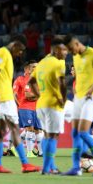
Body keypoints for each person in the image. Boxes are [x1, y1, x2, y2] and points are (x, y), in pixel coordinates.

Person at [62, 34, 93, 177]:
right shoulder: (75, 56)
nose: (72, 52)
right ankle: (76, 168)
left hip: (92, 97)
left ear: (76, 43)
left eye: (71, 49)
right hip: (79, 97)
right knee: (75, 133)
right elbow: (80, 75)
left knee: (83, 132)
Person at [0, 35, 41, 173]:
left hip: (1, 97)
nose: (20, 53)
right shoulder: (3, 52)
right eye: (20, 50)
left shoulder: (6, 54)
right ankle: (25, 164)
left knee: (1, 131)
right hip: (4, 98)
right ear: (16, 44)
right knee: (14, 129)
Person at [28, 38, 67, 175]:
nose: (66, 52)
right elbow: (62, 83)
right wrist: (63, 99)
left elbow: (31, 81)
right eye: (63, 49)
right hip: (53, 104)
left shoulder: (42, 63)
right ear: (56, 49)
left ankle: (48, 167)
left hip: (41, 104)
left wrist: (39, 95)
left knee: (47, 135)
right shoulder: (58, 63)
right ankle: (48, 168)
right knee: (53, 136)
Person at [14, 60, 43, 158]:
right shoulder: (25, 80)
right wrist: (38, 95)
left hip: (36, 108)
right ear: (29, 69)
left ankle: (40, 152)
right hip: (26, 107)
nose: (36, 69)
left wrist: (38, 96)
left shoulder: (39, 80)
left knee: (38, 130)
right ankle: (29, 152)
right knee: (30, 129)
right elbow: (28, 96)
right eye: (34, 67)